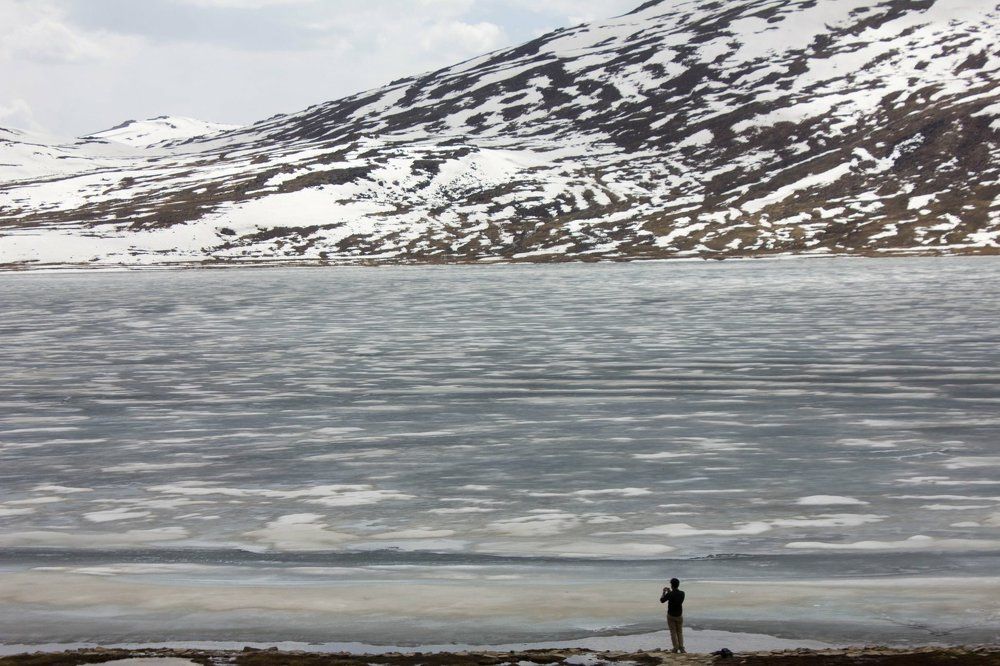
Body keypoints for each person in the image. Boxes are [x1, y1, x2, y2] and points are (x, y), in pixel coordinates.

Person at [660, 577, 685, 653]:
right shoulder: (682, 593)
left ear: (671, 585)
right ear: (678, 585)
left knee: (673, 632)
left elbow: (662, 600)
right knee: (679, 632)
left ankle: (675, 648)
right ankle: (681, 648)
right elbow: (676, 600)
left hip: (671, 615)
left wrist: (664, 592)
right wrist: (670, 592)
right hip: (679, 615)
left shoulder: (670, 594)